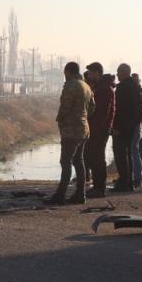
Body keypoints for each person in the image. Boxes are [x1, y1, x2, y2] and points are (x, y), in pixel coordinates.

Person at [45, 61, 94, 205]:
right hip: (84, 129)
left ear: (67, 72)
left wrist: (60, 120)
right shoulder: (86, 86)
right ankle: (80, 194)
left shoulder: (71, 85)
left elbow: (65, 108)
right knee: (79, 161)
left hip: (71, 131)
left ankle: (60, 195)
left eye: (65, 73)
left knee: (65, 161)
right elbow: (92, 108)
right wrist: (82, 117)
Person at [111, 63, 142, 192]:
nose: (117, 74)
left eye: (118, 72)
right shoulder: (135, 87)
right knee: (129, 154)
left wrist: (117, 127)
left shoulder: (122, 88)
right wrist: (135, 123)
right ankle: (128, 181)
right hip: (130, 127)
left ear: (124, 73)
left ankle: (124, 182)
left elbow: (119, 110)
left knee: (121, 155)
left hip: (122, 128)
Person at [83, 62, 116, 198]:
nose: (89, 76)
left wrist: (95, 127)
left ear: (97, 73)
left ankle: (99, 188)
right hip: (98, 128)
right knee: (94, 157)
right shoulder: (101, 88)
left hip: (99, 129)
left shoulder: (104, 89)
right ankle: (97, 186)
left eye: (91, 73)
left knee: (98, 158)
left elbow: (101, 112)